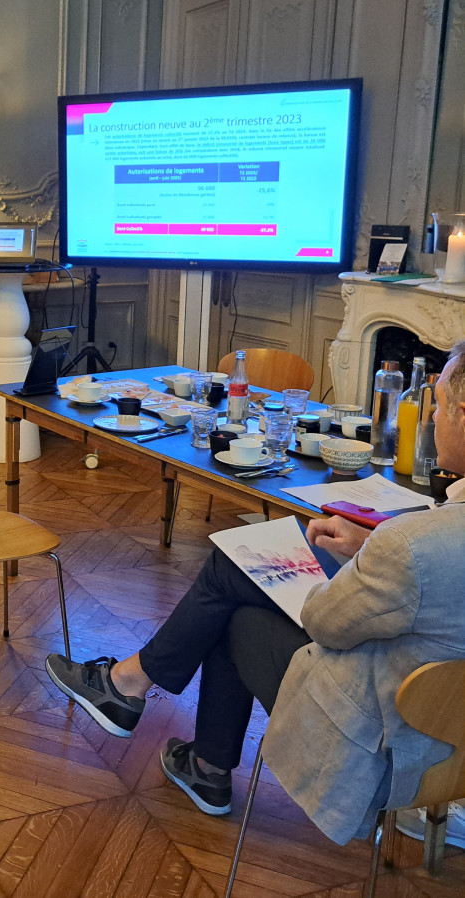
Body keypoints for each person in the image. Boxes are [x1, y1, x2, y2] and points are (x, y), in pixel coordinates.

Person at [46, 342, 465, 846]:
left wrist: (293, 577)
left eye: (437, 405)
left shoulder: (412, 544)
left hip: (387, 731)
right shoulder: (421, 538)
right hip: (448, 715)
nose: (431, 418)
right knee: (236, 578)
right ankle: (183, 743)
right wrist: (369, 549)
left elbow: (329, 622)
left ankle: (138, 696)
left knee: (236, 596)